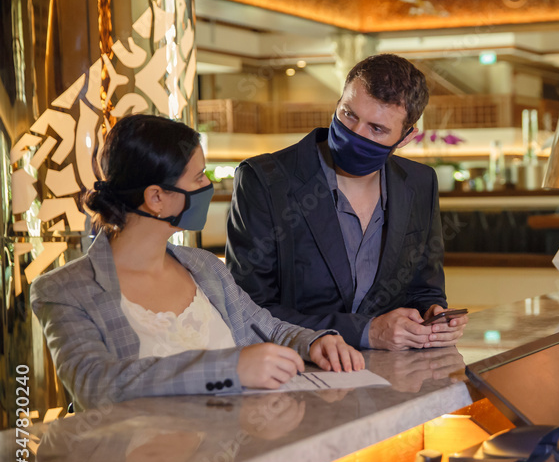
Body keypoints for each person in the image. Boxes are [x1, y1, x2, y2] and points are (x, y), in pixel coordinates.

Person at [31, 114, 364, 411]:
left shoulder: (205, 267)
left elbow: (268, 327)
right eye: (199, 177)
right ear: (156, 198)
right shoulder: (63, 290)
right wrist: (230, 368)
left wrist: (315, 341)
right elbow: (97, 385)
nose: (209, 186)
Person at [225, 53, 467, 351]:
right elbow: (248, 309)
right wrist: (366, 331)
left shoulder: (419, 183)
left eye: (376, 129)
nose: (354, 134)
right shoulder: (264, 180)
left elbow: (424, 288)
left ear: (405, 137)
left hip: (392, 374)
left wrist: (432, 316)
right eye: (348, 114)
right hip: (293, 372)